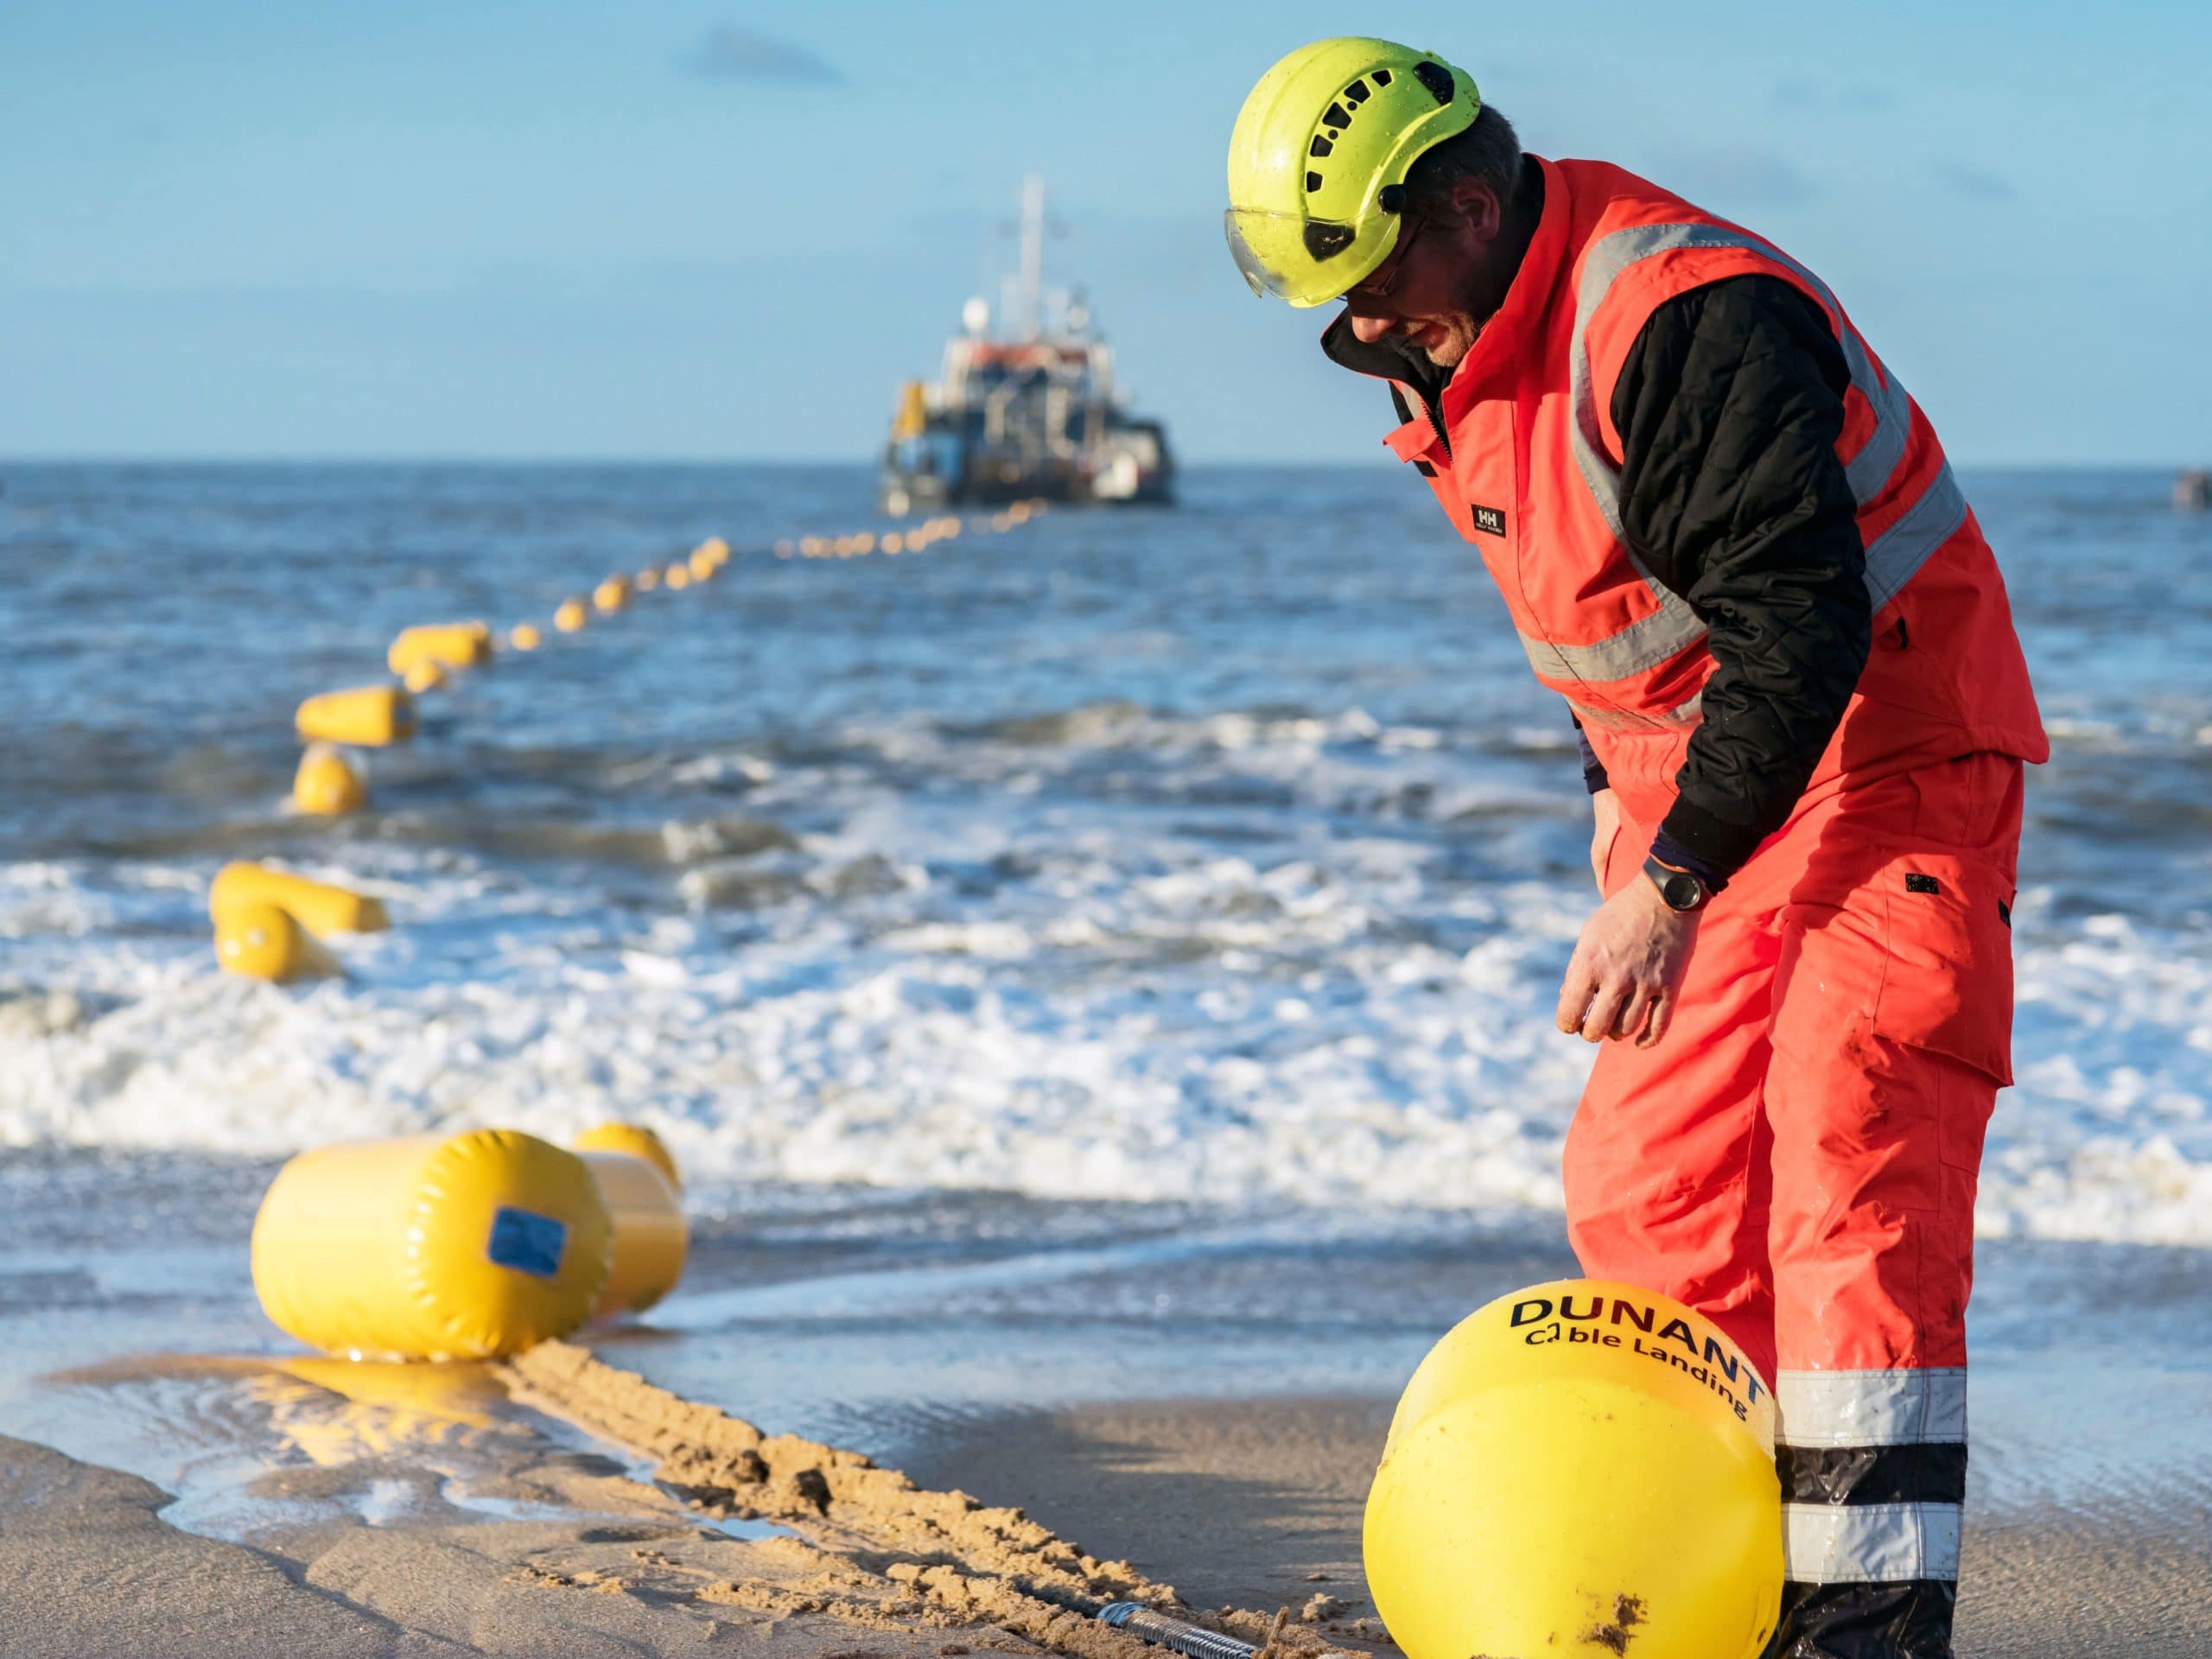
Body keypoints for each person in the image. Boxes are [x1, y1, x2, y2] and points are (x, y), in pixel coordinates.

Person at [1224, 38, 2046, 1659]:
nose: (1358, 326)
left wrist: (1669, 888)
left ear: (1465, 202)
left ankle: (1864, 1629)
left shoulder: (1682, 320)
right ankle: (1695, 1590)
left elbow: (1800, 620)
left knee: (1847, 1177)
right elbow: (1601, 605)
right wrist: (1610, 788)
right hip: (1724, 789)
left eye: (1374, 281)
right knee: (1649, 1192)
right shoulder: (1452, 346)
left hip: (1889, 759)